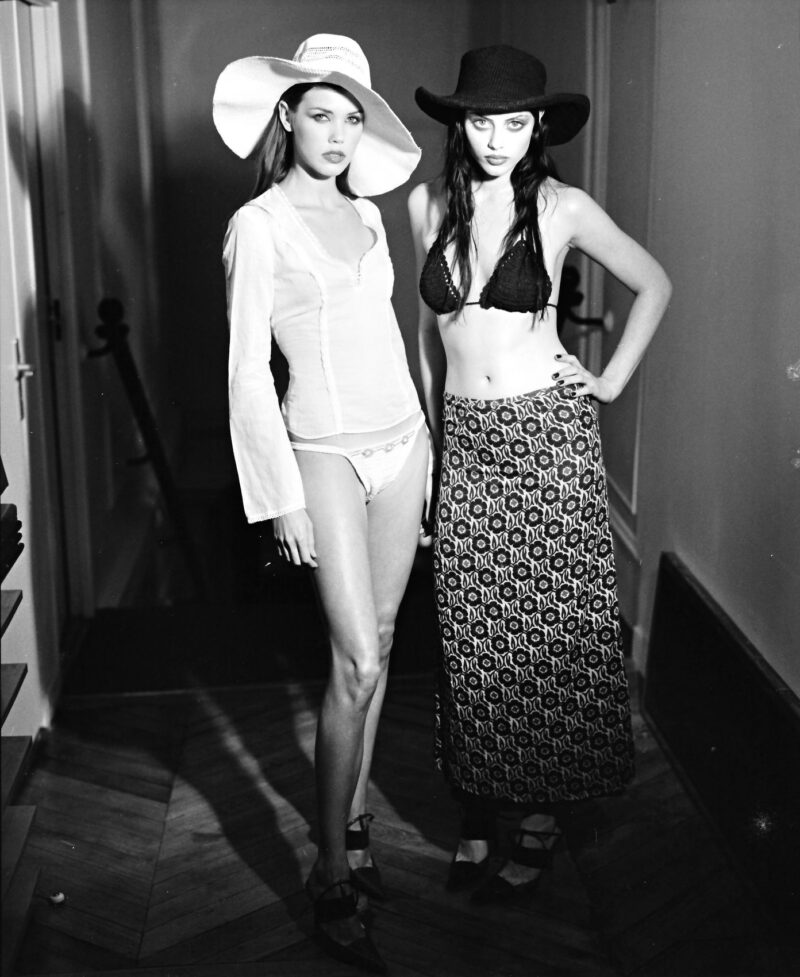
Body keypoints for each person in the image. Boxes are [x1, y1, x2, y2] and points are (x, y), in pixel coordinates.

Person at [408, 45, 671, 903]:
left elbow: (654, 283)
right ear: (459, 125)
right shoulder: (425, 205)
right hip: (467, 440)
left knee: (550, 637)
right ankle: (480, 806)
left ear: (538, 127)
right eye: (482, 122)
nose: (496, 139)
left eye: (514, 123)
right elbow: (426, 338)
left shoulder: (563, 207)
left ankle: (542, 817)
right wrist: (436, 442)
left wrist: (610, 380)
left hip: (548, 438)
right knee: (471, 636)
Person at [214, 34, 427, 971]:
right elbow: (245, 373)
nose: (338, 134)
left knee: (380, 642)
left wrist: (428, 450)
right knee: (355, 658)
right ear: (286, 116)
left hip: (404, 441)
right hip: (323, 452)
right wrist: (281, 500)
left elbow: (390, 334)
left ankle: (357, 819)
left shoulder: (372, 215)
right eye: (321, 114)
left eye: (352, 118)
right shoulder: (257, 225)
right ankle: (329, 866)